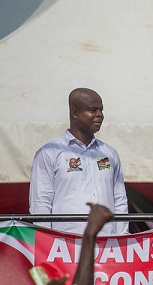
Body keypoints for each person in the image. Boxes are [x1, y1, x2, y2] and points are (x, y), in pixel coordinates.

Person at [29, 88, 129, 235]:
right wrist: (46, 241)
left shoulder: (109, 153)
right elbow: (40, 202)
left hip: (108, 243)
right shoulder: (49, 152)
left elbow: (119, 200)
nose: (99, 115)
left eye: (101, 110)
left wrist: (123, 237)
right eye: (92, 110)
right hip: (64, 243)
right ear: (75, 113)